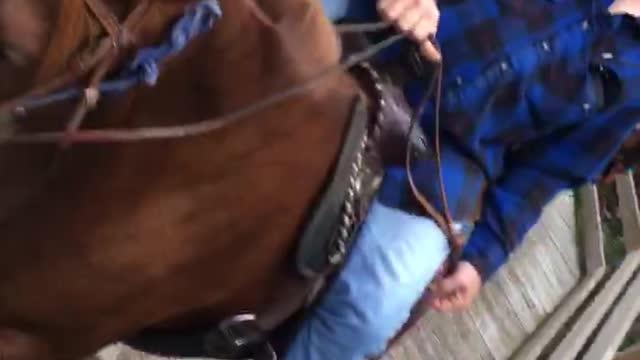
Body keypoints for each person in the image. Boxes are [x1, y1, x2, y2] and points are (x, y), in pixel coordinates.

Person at [284, 0, 640, 359]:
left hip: (451, 158)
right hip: (380, 34)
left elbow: (546, 170)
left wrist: (482, 257)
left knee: (373, 306)